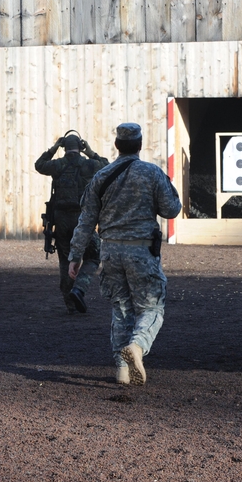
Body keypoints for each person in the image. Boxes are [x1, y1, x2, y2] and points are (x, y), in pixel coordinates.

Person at [68, 123, 182, 385]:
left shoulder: (101, 176)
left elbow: (86, 221)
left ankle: (121, 370)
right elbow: (171, 209)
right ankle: (138, 346)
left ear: (117, 145)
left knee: (121, 309)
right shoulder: (152, 173)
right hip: (142, 251)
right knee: (152, 307)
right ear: (140, 145)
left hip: (109, 252)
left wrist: (76, 255)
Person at [35, 133, 109, 314]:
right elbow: (107, 166)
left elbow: (39, 165)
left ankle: (69, 300)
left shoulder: (58, 165)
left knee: (65, 258)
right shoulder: (89, 164)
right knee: (92, 256)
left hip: (61, 220)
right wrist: (90, 152)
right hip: (83, 219)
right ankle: (79, 288)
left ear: (64, 147)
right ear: (80, 146)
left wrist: (53, 148)